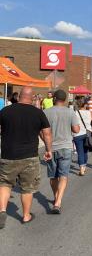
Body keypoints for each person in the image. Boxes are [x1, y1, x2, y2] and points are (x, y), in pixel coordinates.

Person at [0, 87, 52, 228]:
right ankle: (26, 215)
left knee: (4, 184)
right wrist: (48, 150)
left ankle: (2, 210)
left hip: (7, 155)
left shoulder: (5, 111)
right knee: (27, 188)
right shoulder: (38, 113)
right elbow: (46, 133)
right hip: (29, 156)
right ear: (32, 97)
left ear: (19, 97)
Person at [45, 90, 80, 214]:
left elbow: (41, 130)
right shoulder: (70, 112)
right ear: (64, 100)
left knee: (53, 176)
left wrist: (45, 142)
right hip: (66, 147)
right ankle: (58, 201)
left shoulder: (46, 112)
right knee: (63, 175)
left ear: (54, 98)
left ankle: (56, 197)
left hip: (51, 148)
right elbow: (76, 130)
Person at [73, 99, 92, 176]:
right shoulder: (89, 113)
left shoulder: (75, 113)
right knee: (85, 151)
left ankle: (81, 169)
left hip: (77, 134)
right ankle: (84, 167)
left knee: (80, 152)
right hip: (87, 134)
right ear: (85, 105)